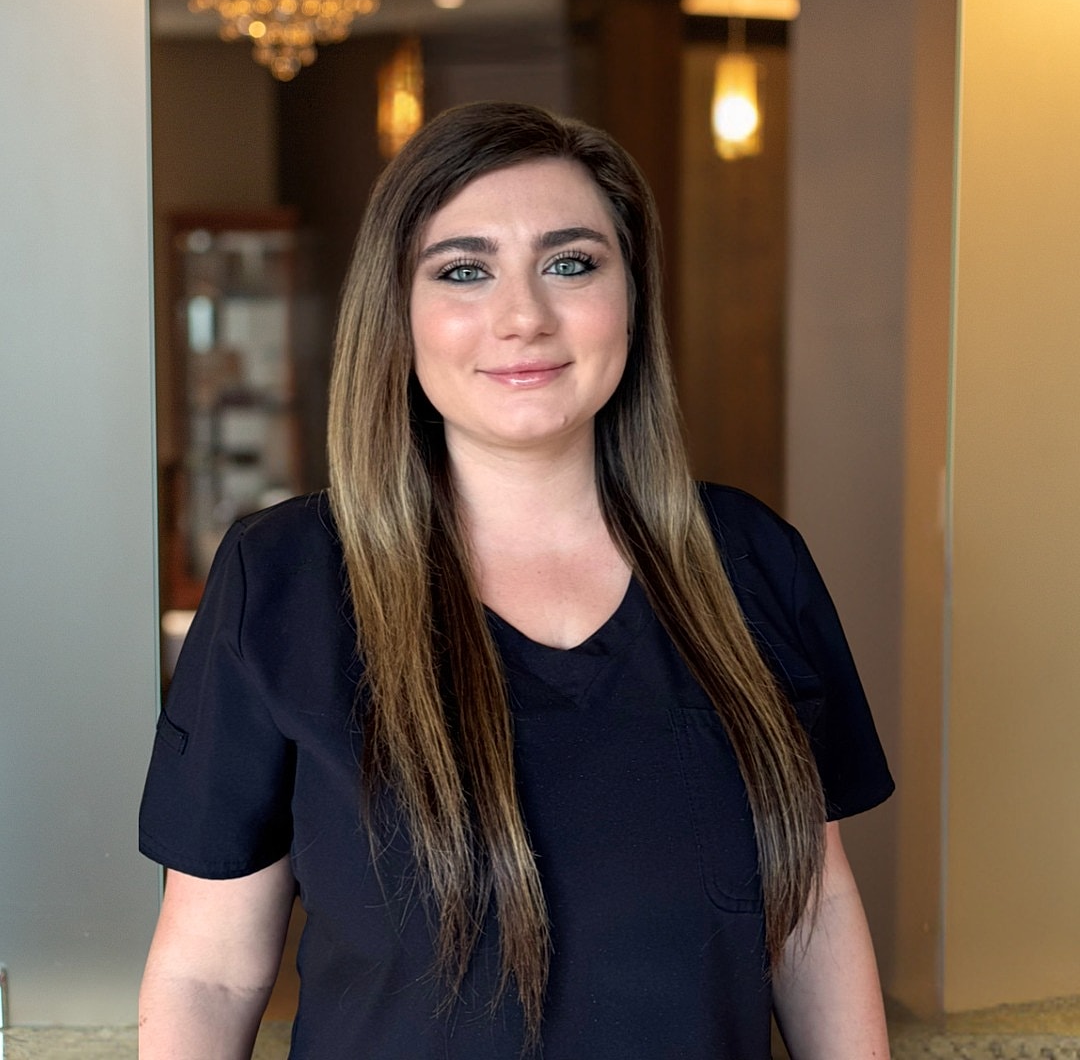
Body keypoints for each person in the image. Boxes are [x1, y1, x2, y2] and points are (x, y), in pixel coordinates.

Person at [138, 101, 894, 1059]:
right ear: (397, 314)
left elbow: (813, 912)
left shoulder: (748, 561)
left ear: (632, 296)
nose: (524, 316)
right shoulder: (281, 583)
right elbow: (208, 972)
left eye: (571, 263)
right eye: (464, 270)